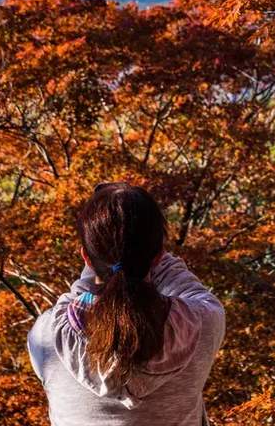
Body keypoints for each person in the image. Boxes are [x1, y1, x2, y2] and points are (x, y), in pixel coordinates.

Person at [28, 182, 225, 426]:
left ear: (86, 257)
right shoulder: (202, 324)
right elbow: (193, 292)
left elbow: (76, 302)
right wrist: (144, 249)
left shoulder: (47, 337)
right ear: (158, 256)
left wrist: (104, 257)